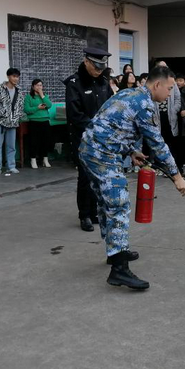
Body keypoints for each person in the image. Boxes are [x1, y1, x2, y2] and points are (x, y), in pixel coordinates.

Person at [79, 65, 185, 290]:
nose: (169, 94)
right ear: (157, 85)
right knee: (119, 204)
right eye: (168, 89)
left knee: (105, 201)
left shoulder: (129, 93)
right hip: (102, 154)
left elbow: (111, 124)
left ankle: (115, 252)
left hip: (90, 149)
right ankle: (119, 269)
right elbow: (157, 143)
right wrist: (177, 176)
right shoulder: (144, 104)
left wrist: (130, 151)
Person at [64, 47, 114, 232]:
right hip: (83, 138)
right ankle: (84, 214)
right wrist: (96, 127)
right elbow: (74, 115)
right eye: (96, 65)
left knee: (100, 175)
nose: (99, 69)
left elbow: (111, 106)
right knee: (85, 177)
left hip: (102, 139)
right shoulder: (74, 83)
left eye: (102, 66)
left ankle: (94, 211)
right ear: (86, 62)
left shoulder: (104, 83)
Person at [0, 68, 24, 175]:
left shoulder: (19, 91)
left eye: (17, 77)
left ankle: (11, 166)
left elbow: (20, 106)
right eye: (14, 76)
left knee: (11, 146)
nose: (16, 79)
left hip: (13, 122)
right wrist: (4, 114)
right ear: (8, 77)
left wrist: (16, 116)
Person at [155, 61, 182, 173]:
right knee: (159, 142)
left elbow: (177, 99)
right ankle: (160, 167)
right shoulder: (153, 81)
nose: (163, 69)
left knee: (172, 142)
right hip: (157, 116)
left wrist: (174, 110)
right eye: (161, 67)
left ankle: (173, 167)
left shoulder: (172, 82)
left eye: (165, 67)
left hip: (170, 116)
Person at [23, 79, 53, 169]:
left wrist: (42, 95)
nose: (39, 87)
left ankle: (45, 159)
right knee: (34, 142)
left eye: (40, 85)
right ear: (33, 87)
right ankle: (33, 160)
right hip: (34, 122)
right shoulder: (29, 97)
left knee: (45, 141)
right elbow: (27, 110)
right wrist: (37, 108)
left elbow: (49, 105)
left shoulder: (44, 96)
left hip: (45, 121)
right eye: (37, 85)